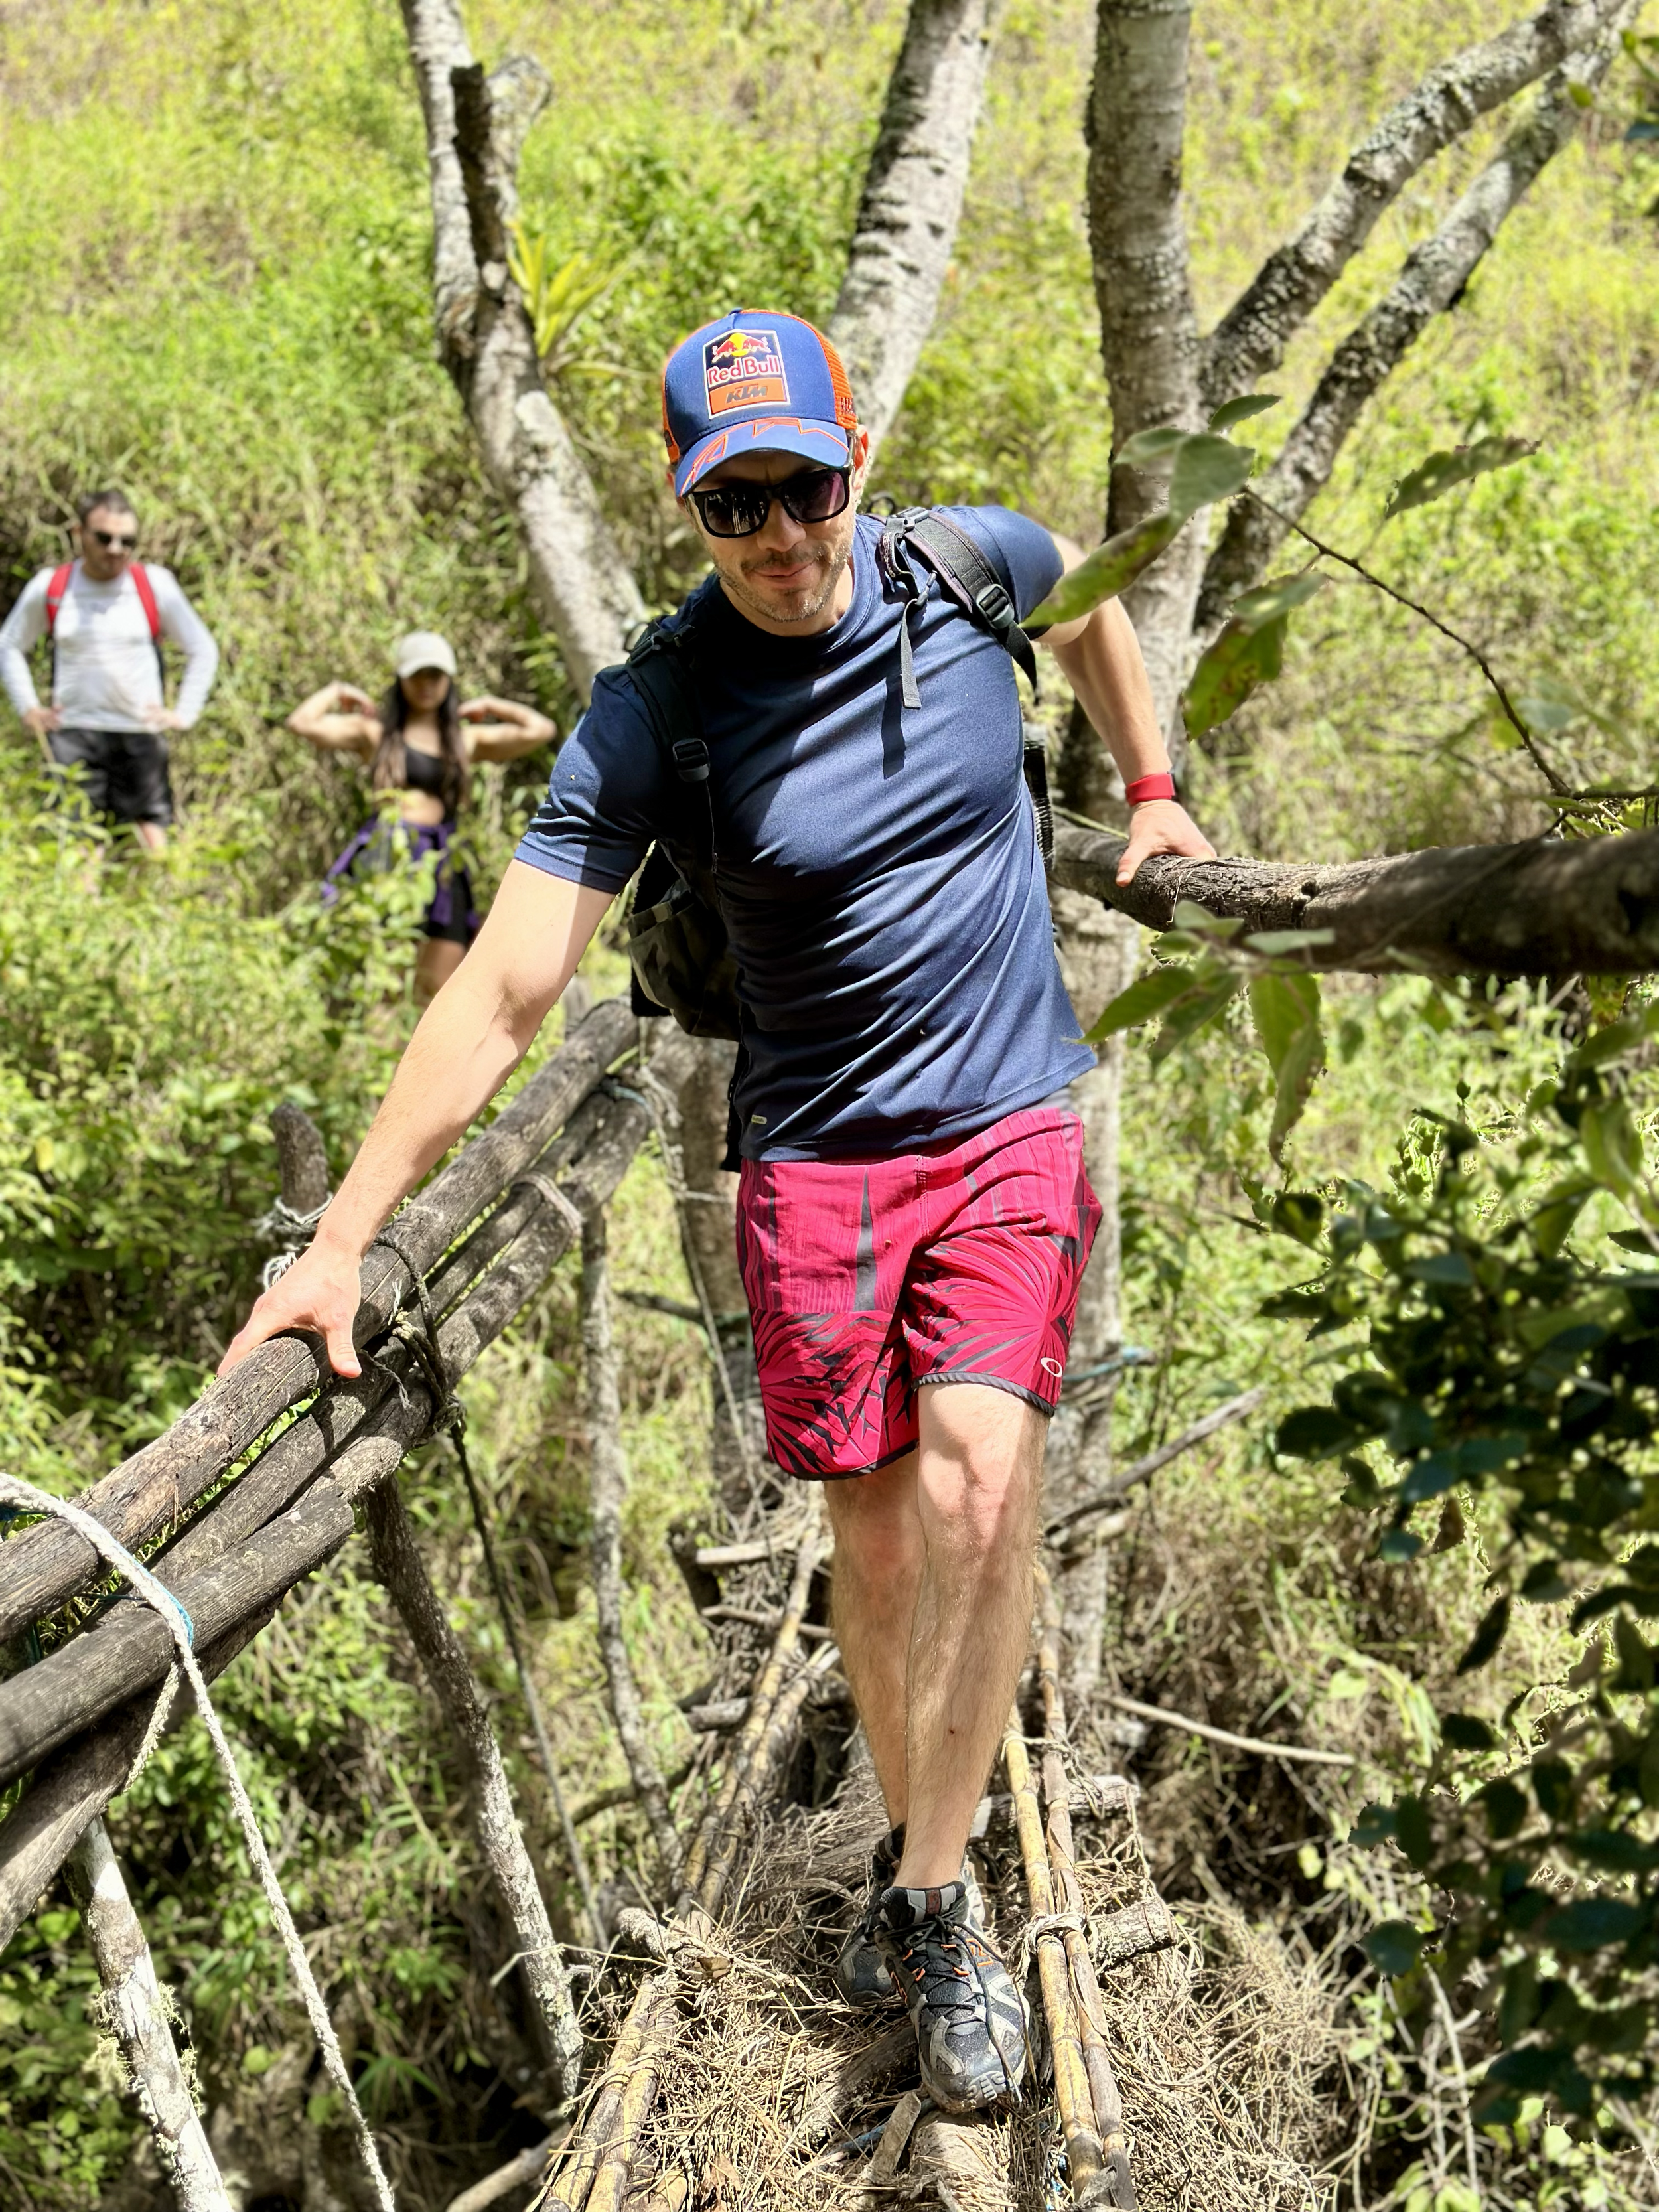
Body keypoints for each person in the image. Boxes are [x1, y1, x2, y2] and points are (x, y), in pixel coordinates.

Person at [222, 310, 1215, 2113]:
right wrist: (346, 1225)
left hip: (1005, 1119)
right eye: (733, 504)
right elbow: (512, 984)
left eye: (807, 486)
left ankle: (928, 1893)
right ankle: (914, 1828)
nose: (781, 533)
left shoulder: (963, 563)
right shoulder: (653, 706)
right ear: (691, 515)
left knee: (984, 1474)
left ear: (859, 466)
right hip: (817, 1158)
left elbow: (1083, 592)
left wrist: (1148, 791)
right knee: (875, 1531)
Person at [287, 632, 554, 1003]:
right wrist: (337, 692)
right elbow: (301, 723)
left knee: (440, 991)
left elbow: (541, 730)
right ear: (401, 679)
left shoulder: (464, 741)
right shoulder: (375, 733)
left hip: (444, 865)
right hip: (389, 857)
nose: (427, 685)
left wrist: (492, 704)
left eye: (436, 676)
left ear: (448, 681)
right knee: (386, 987)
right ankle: (378, 1059)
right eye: (418, 675)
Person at [0, 488, 219, 851]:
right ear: (78, 533)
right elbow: (9, 645)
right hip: (74, 732)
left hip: (138, 731)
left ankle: (160, 904)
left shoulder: (154, 585)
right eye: (104, 538)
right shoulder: (53, 587)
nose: (116, 548)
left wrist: (184, 713)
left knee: (151, 836)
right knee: (77, 840)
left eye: (127, 540)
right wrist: (29, 709)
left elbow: (202, 648)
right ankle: (83, 907)